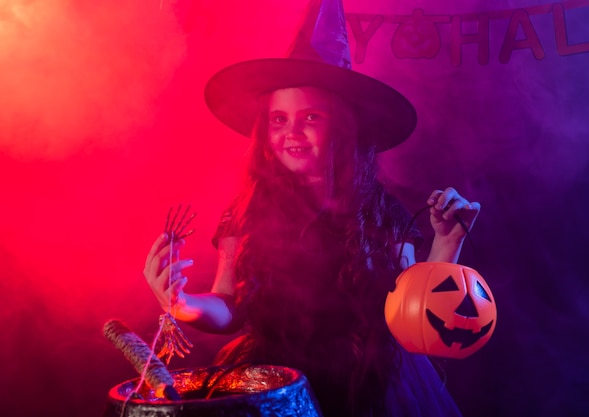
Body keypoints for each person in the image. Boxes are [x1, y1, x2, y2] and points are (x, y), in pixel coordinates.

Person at [144, 0, 480, 415]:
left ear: (341, 127)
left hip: (371, 384)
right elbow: (228, 304)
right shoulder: (245, 212)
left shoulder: (381, 212)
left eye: (311, 117)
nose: (292, 133)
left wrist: (446, 245)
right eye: (278, 120)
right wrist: (185, 304)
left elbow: (416, 319)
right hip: (274, 383)